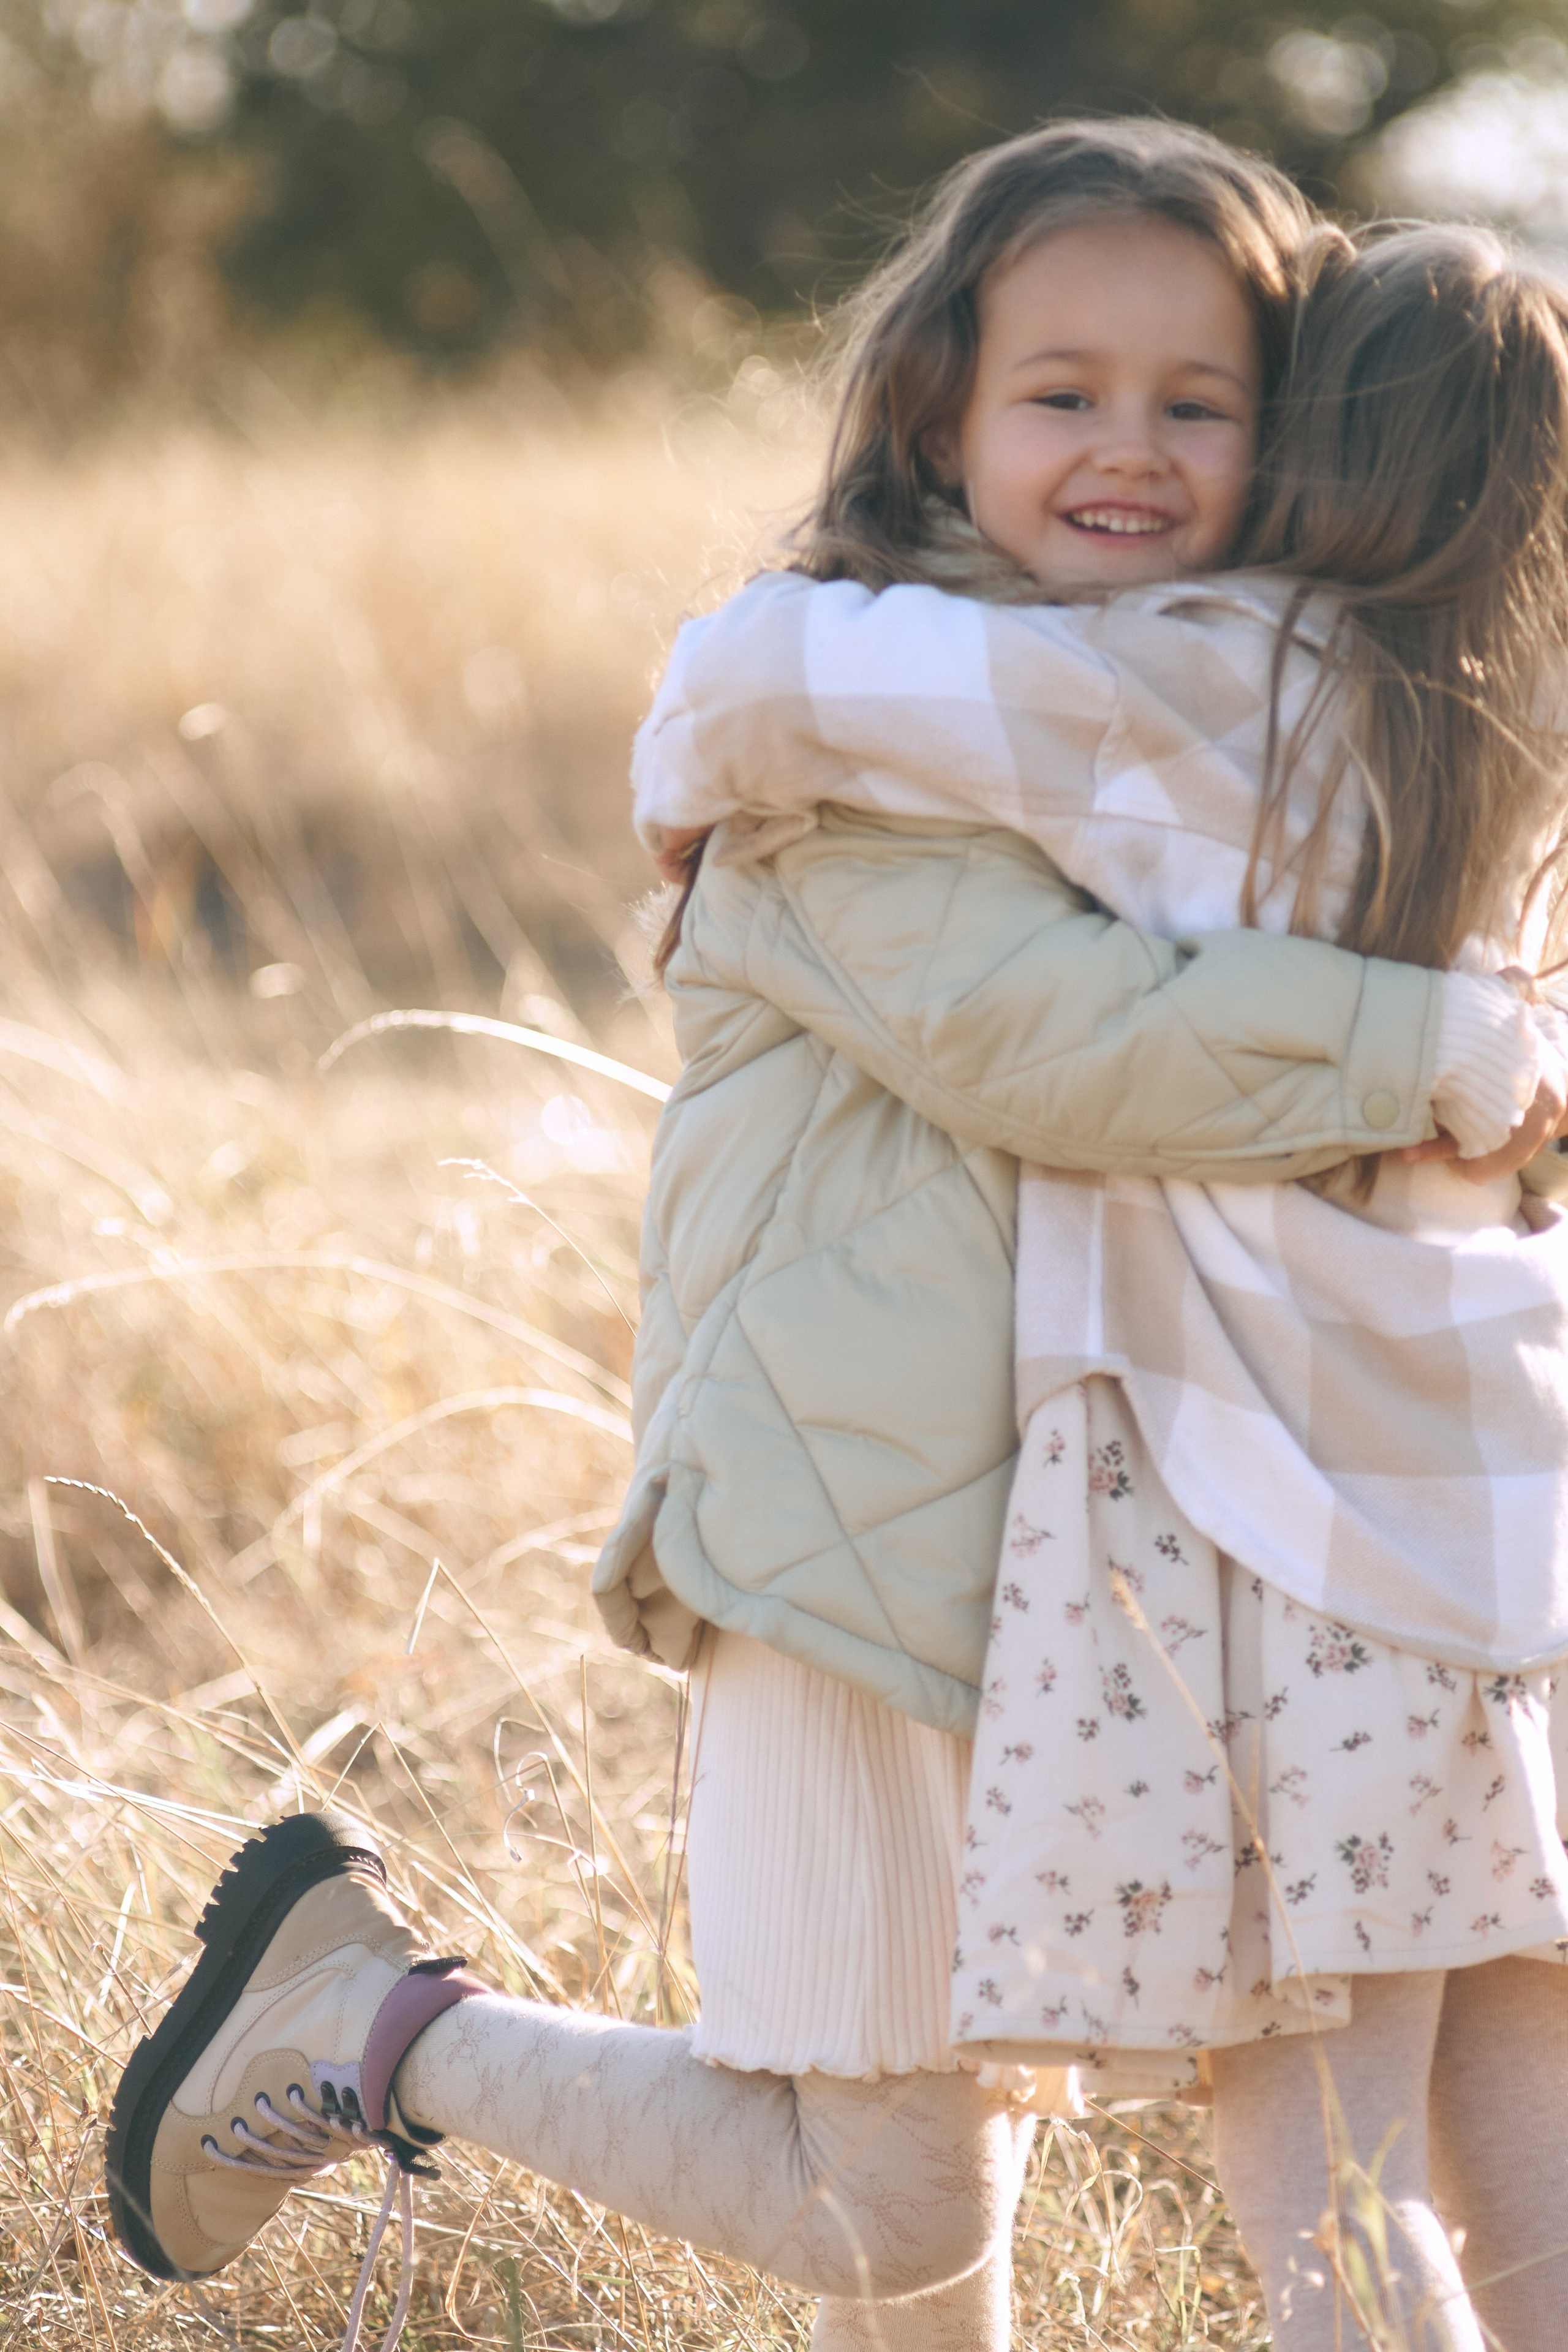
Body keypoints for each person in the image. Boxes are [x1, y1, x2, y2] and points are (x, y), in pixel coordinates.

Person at [102, 123, 1559, 2352]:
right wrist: (1445, 1038)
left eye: (1207, 403)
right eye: (1064, 394)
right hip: (867, 1537)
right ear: (935, 412)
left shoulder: (1190, 736)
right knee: (892, 2215)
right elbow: (1065, 1047)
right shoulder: (850, 761)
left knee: (959, 2210)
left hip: (1116, 1556)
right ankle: (376, 2020)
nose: (1137, 452)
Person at [630, 224, 1568, 2350]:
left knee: (1328, 2182)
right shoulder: (1537, 741)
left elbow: (789, 679)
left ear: (1309, 443)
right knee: (1523, 2121)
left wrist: (680, 765)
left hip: (1278, 1536)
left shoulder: (1213, 684)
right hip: (1515, 1544)